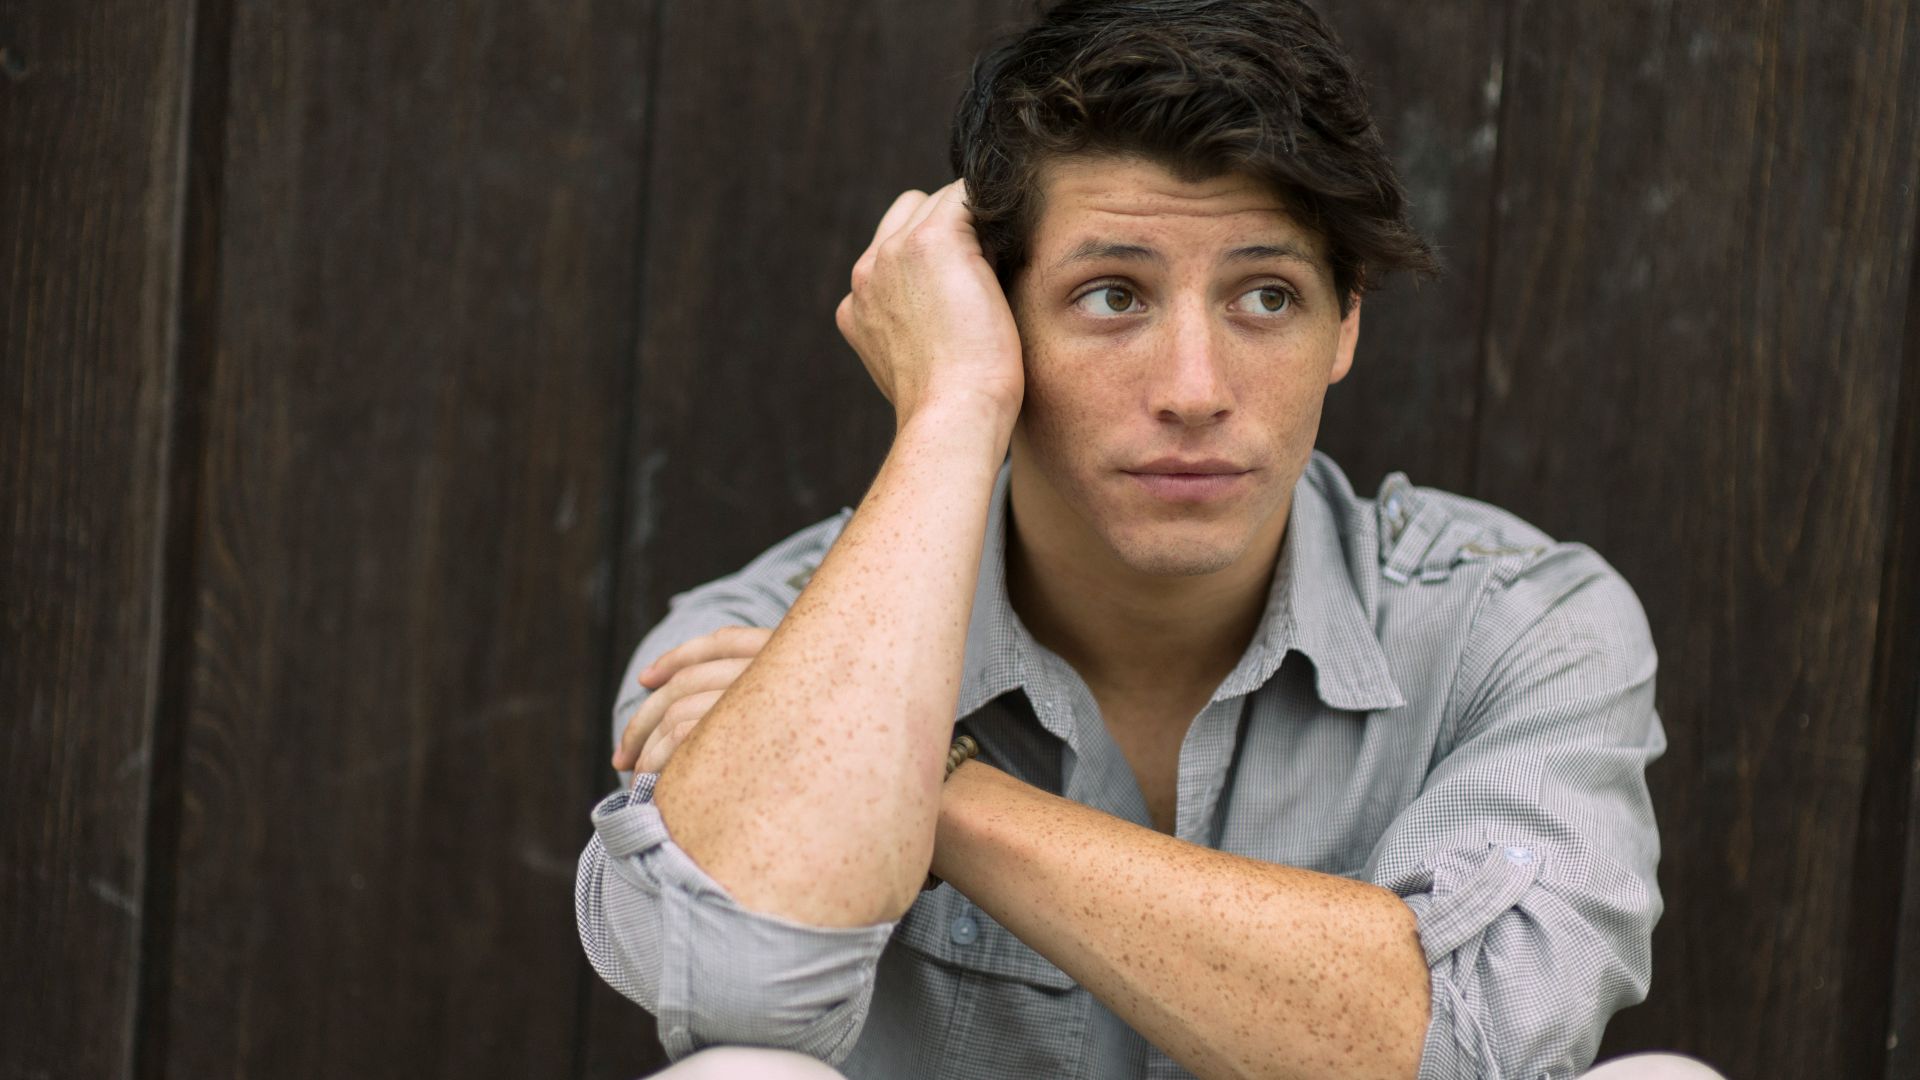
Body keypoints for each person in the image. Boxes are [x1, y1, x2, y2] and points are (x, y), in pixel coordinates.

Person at [575, 2, 1725, 1077]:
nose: (1193, 389)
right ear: (994, 318)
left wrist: (944, 790)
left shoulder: (1518, 624)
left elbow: (1475, 1038)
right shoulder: (771, 633)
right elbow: (729, 983)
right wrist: (949, 409)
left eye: (1265, 296)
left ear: (1346, 324)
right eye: (1112, 295)